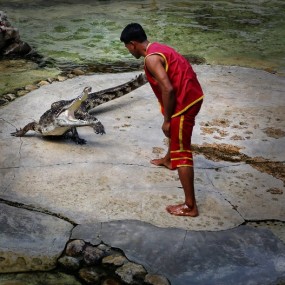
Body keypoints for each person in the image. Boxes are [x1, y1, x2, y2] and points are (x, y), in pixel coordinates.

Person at [120, 23, 204, 217]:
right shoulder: (158, 48)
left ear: (132, 44)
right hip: (190, 96)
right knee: (175, 132)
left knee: (183, 153)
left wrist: (167, 120)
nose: (127, 50)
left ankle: (190, 206)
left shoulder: (151, 59)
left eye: (126, 46)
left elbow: (168, 89)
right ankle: (168, 159)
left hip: (185, 103)